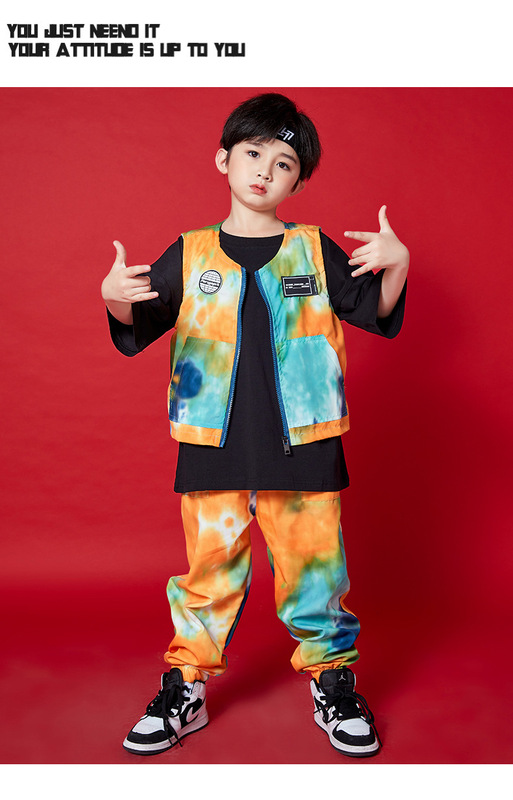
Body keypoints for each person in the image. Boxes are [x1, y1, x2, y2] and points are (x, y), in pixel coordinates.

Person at [101, 93, 408, 758]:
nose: (265, 170)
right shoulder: (189, 253)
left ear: (299, 181)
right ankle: (185, 686)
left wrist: (398, 264)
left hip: (305, 445)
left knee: (315, 573)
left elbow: (373, 310)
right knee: (208, 573)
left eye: (284, 163)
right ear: (224, 160)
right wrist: (113, 299)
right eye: (252, 153)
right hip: (212, 443)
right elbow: (139, 323)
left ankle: (332, 681)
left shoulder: (313, 250)